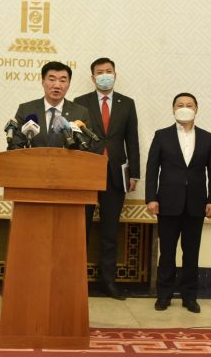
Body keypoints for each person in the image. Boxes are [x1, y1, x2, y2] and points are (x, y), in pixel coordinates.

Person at [74, 57, 139, 300]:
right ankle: (76, 281)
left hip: (115, 176)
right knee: (81, 229)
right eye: (100, 72)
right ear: (92, 78)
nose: (105, 75)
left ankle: (108, 282)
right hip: (86, 174)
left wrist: (134, 173)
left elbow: (132, 139)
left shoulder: (127, 103)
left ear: (115, 74)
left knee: (110, 232)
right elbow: (75, 139)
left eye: (108, 71)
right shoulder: (80, 103)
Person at [145, 93, 211, 312]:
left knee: (191, 253)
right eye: (180, 105)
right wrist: (151, 198)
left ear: (196, 109)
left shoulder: (207, 137)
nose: (184, 108)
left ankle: (189, 296)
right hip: (167, 202)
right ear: (173, 109)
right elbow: (152, 169)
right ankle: (163, 295)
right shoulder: (162, 135)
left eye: (189, 105)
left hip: (196, 203)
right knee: (167, 252)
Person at [9, 61, 90, 149]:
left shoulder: (80, 112)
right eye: (52, 80)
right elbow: (15, 145)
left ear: (69, 84)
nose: (57, 86)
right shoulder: (26, 109)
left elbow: (85, 147)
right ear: (43, 81)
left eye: (63, 81)